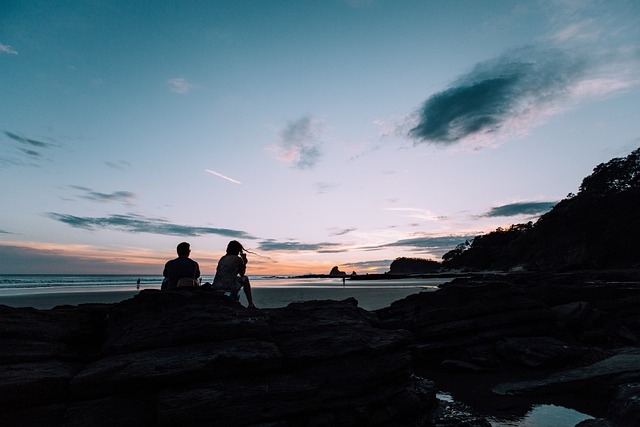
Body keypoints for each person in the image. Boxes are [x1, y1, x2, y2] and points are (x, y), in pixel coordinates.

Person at [213, 240, 256, 308]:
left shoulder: (222, 258)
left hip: (216, 286)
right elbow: (242, 274)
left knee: (233, 279)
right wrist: (244, 263)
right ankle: (250, 304)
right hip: (228, 286)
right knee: (245, 278)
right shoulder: (237, 259)